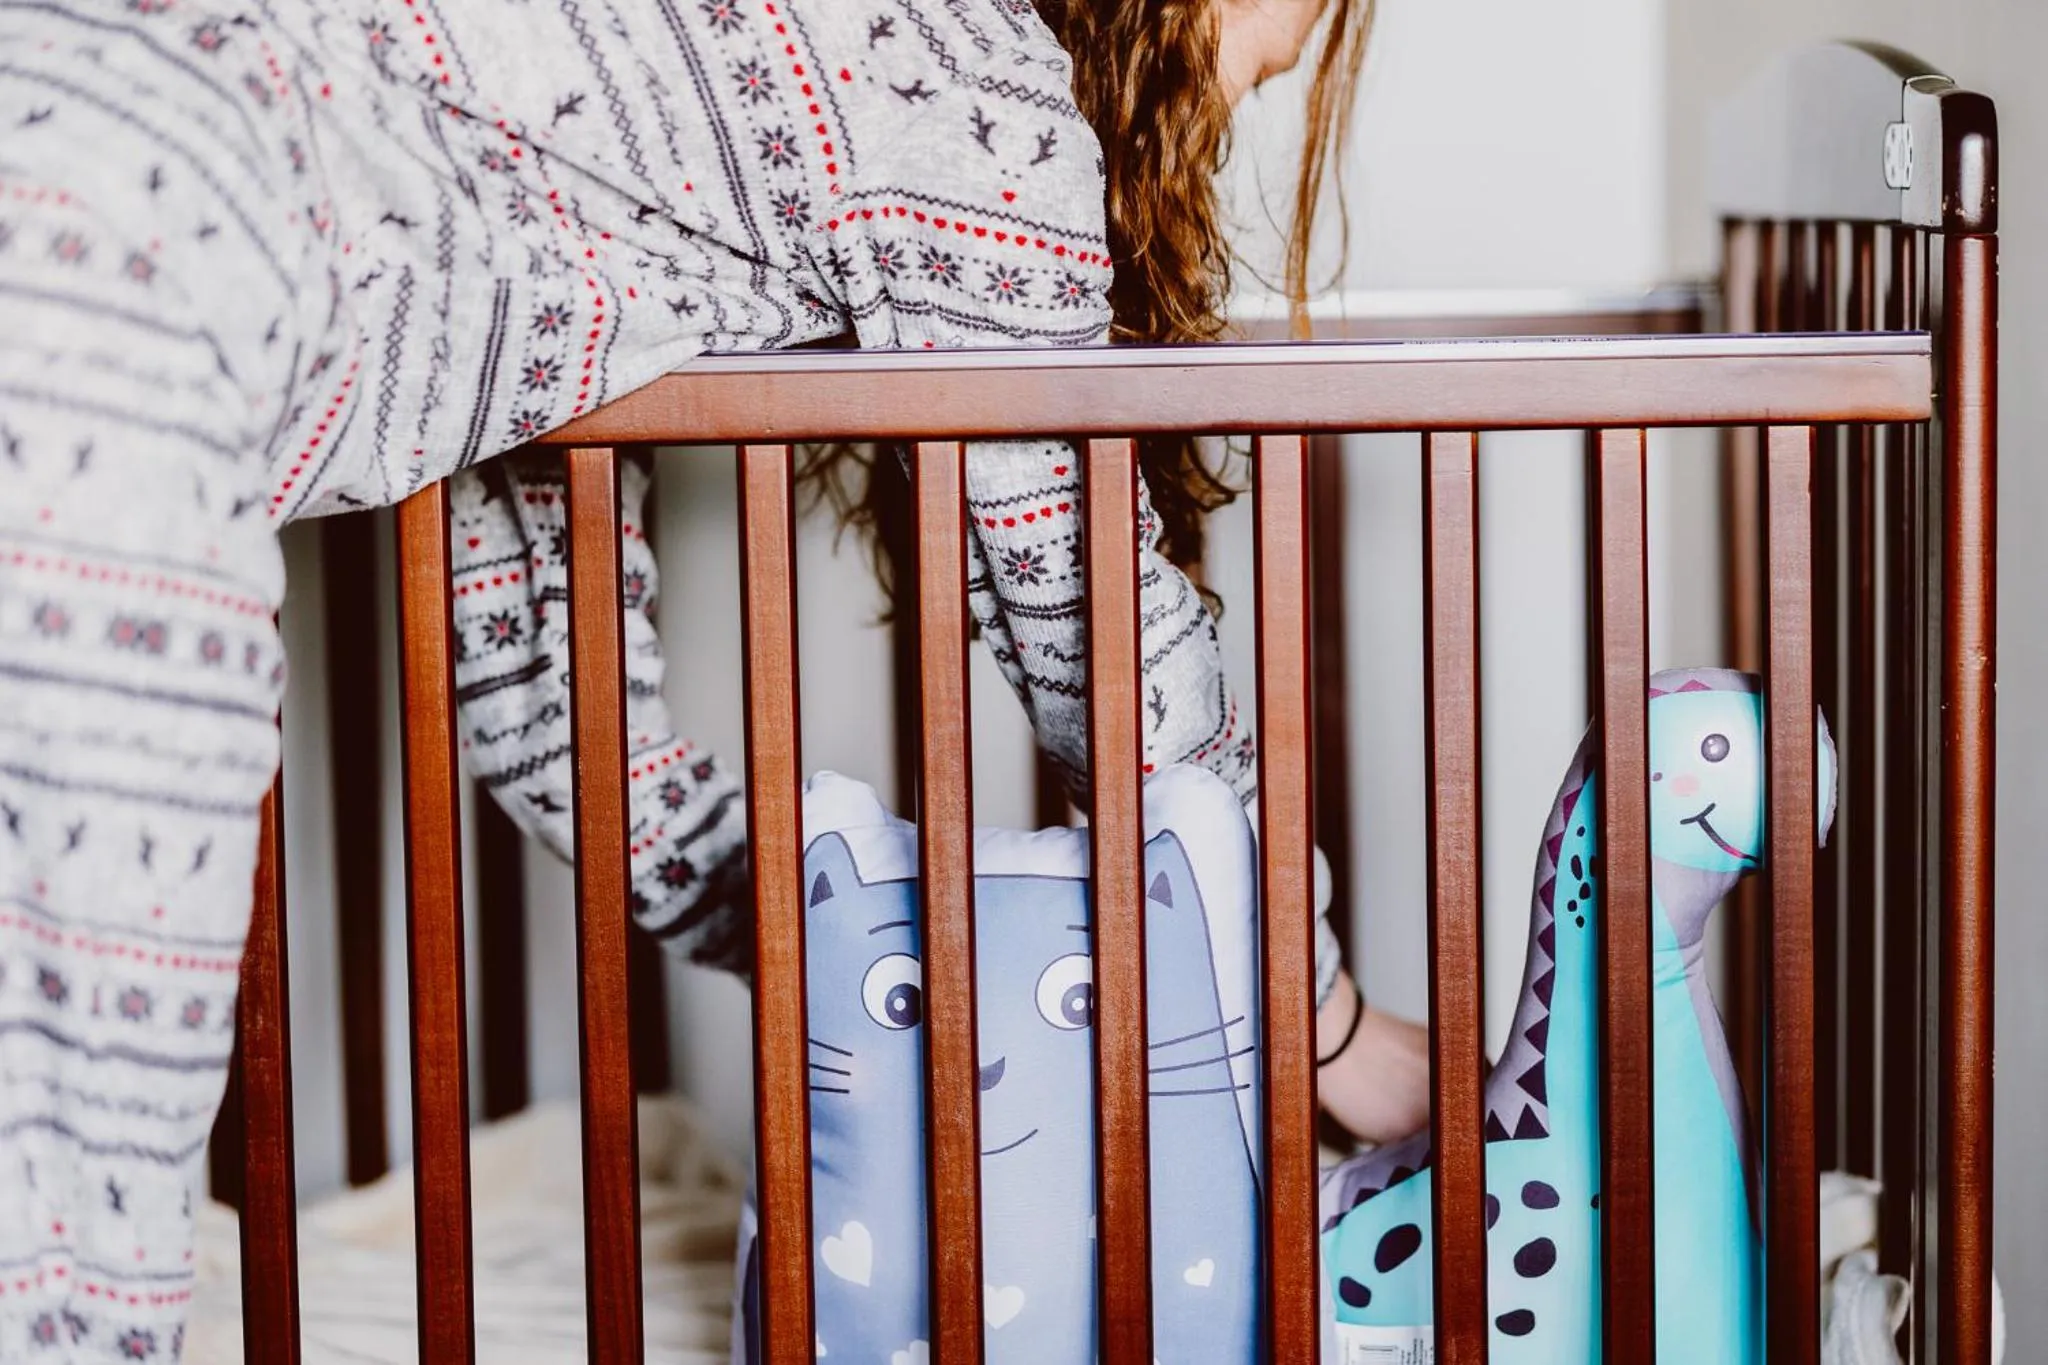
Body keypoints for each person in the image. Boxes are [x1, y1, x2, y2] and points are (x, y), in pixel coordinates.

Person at [0, 0, 1423, 1357]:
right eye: (1252, 66)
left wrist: (885, 944)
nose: (1232, 112)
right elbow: (1103, 638)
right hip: (94, 311)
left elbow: (560, 725)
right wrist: (1325, 1024)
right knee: (84, 1161)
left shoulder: (548, 163)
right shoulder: (970, 88)